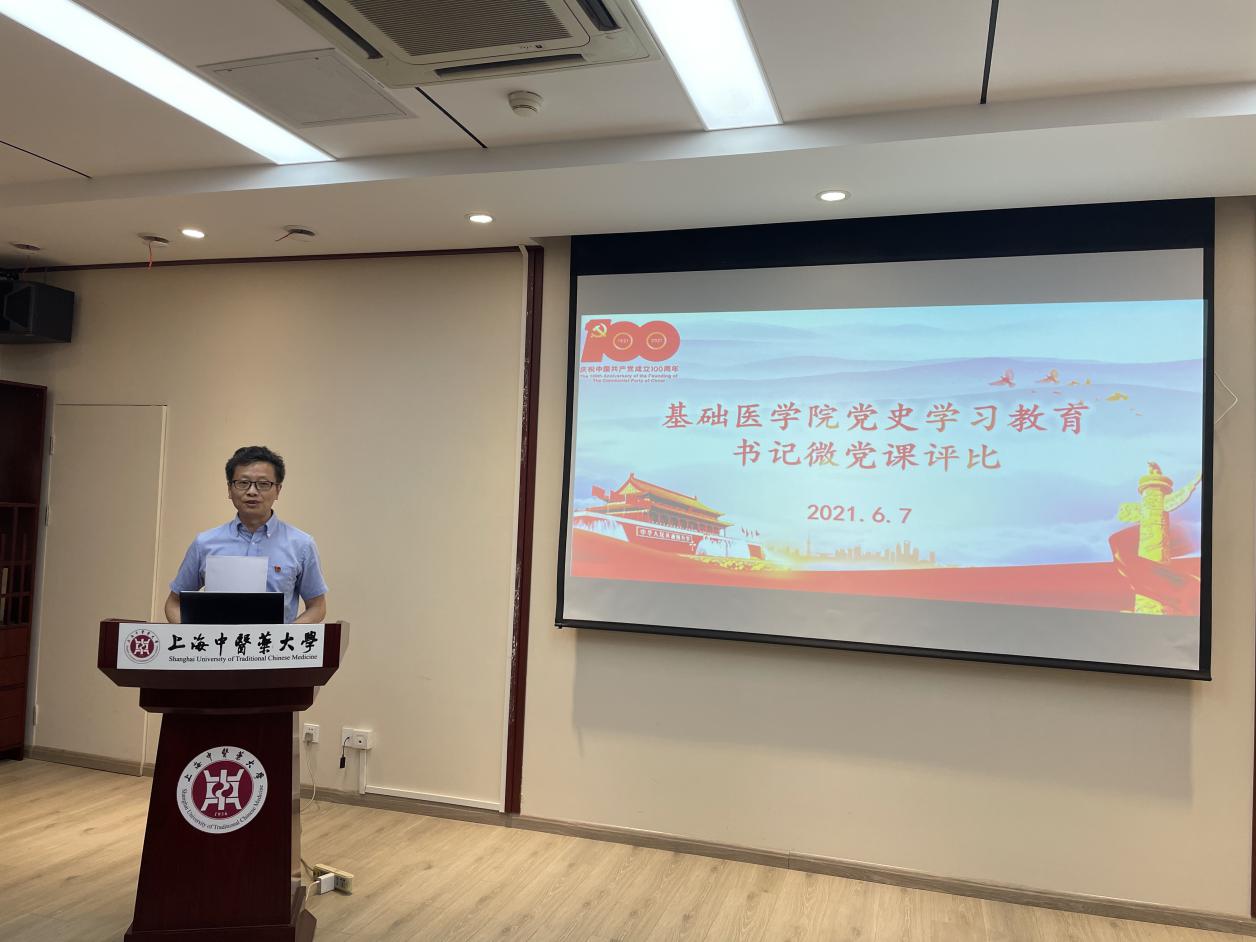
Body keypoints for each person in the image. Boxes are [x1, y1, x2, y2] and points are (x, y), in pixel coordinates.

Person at [164, 445, 328, 624]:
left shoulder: (301, 545)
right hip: (218, 641)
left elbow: (317, 606)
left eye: (263, 484)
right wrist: (192, 635)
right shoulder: (204, 543)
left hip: (272, 642)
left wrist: (288, 634)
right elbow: (174, 603)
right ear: (229, 489)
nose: (252, 491)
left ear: (278, 490)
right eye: (243, 483)